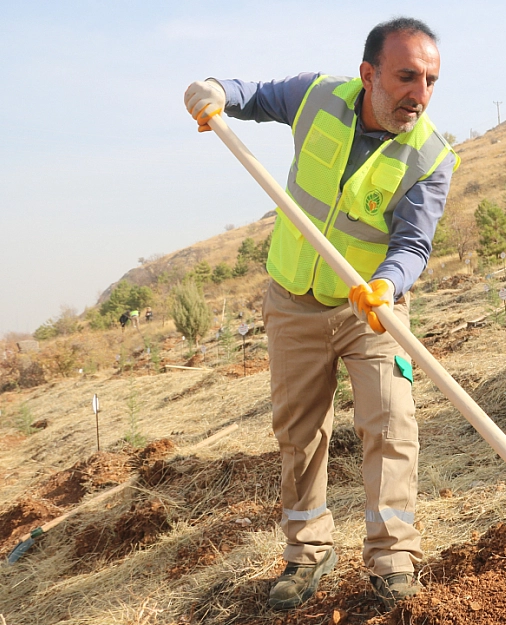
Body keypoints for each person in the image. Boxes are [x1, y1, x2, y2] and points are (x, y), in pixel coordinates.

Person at [184, 17, 458, 611]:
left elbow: (412, 245)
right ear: (369, 74)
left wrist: (386, 285)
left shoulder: (431, 156)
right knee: (299, 432)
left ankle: (393, 558)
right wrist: (214, 90)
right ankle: (307, 550)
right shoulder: (317, 97)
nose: (420, 93)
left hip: (372, 310)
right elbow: (251, 96)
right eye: (407, 76)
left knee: (391, 423)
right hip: (293, 303)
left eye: (431, 80)